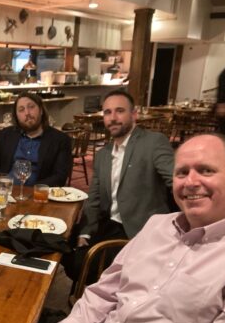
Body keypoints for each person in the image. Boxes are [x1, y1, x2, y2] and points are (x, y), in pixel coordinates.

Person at [18, 133, 225, 323]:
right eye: (182, 172)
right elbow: (104, 292)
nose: (191, 182)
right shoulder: (157, 225)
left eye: (206, 170)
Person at [62, 89, 174, 287]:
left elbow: (176, 180)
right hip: (108, 223)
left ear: (134, 115)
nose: (112, 118)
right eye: (107, 112)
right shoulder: (104, 153)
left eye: (119, 111)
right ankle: (89, 297)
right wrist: (85, 232)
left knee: (84, 263)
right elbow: (94, 198)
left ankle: (102, 303)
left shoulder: (153, 142)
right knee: (59, 245)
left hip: (138, 231)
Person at [0, 91, 72, 187]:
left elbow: (60, 177)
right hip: (5, 192)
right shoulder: (6, 135)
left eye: (31, 107)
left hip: (38, 196)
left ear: (41, 110)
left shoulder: (60, 140)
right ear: (16, 116)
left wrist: (32, 190)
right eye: (21, 110)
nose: (27, 113)